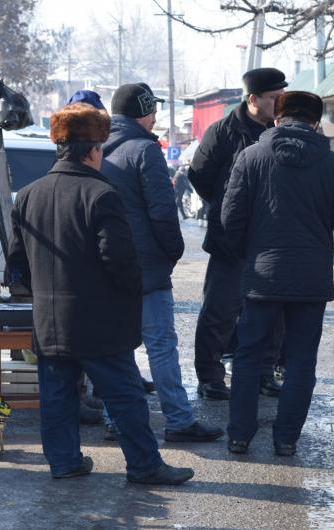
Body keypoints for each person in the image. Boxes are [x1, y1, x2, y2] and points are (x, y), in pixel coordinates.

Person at [6, 102, 193, 485]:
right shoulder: (101, 194)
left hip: (49, 320)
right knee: (125, 396)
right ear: (94, 150)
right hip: (99, 320)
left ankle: (64, 462)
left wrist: (40, 293)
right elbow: (120, 260)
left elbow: (17, 261)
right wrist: (132, 293)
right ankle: (144, 465)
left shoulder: (28, 195)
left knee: (57, 397)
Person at [221, 91, 334, 456]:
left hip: (261, 276)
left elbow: (229, 219)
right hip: (310, 279)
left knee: (248, 356)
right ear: (315, 123)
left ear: (277, 120)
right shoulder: (331, 165)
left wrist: (248, 256)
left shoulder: (251, 156)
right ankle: (286, 439)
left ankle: (239, 434)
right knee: (300, 360)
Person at [101, 83, 223, 443]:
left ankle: (114, 419)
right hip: (146, 268)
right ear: (143, 111)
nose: (155, 117)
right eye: (152, 109)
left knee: (114, 347)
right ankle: (179, 420)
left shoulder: (96, 149)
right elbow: (162, 213)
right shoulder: (144, 150)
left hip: (107, 266)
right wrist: (172, 252)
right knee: (161, 346)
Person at [189, 67, 288, 401]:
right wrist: (224, 207)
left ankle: (263, 372)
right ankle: (210, 375)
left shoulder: (282, 131)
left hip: (271, 240)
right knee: (220, 310)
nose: (279, 103)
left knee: (272, 314)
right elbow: (200, 176)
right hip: (230, 240)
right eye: (274, 98)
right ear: (253, 99)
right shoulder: (223, 132)